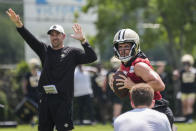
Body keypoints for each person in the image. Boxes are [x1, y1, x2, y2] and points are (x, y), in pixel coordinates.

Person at [6, 8, 97, 131]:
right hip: (46, 100)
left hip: (63, 101)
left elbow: (92, 57)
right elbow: (30, 39)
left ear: (63, 36)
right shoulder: (45, 50)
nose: (54, 37)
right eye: (52, 34)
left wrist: (83, 40)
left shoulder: (72, 52)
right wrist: (19, 24)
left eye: (57, 34)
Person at [109, 28, 174, 127]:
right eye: (120, 46)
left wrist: (134, 86)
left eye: (126, 46)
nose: (123, 50)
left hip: (156, 109)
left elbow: (160, 85)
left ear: (135, 46)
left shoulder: (139, 65)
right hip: (141, 109)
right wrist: (115, 85)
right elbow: (124, 90)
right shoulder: (124, 65)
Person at [103, 56, 123, 122]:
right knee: (117, 106)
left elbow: (104, 84)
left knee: (113, 107)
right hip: (118, 92)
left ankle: (113, 119)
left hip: (110, 92)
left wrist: (105, 92)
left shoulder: (109, 72)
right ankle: (115, 120)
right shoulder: (121, 71)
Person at [179, 54, 196, 123]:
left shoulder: (194, 71)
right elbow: (176, 78)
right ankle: (186, 119)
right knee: (184, 105)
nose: (186, 65)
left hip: (192, 91)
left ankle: (189, 119)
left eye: (187, 64)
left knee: (189, 104)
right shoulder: (181, 71)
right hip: (183, 91)